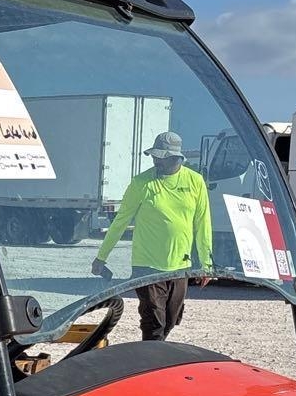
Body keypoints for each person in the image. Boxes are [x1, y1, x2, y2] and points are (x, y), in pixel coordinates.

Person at [90, 132, 212, 341]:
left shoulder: (195, 181)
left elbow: (203, 223)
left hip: (180, 265)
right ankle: (151, 361)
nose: (155, 160)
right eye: (154, 156)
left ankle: (151, 355)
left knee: (171, 320)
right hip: (146, 265)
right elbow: (120, 222)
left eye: (161, 157)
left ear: (176, 158)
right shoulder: (141, 183)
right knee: (154, 322)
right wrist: (101, 257)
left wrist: (206, 264)